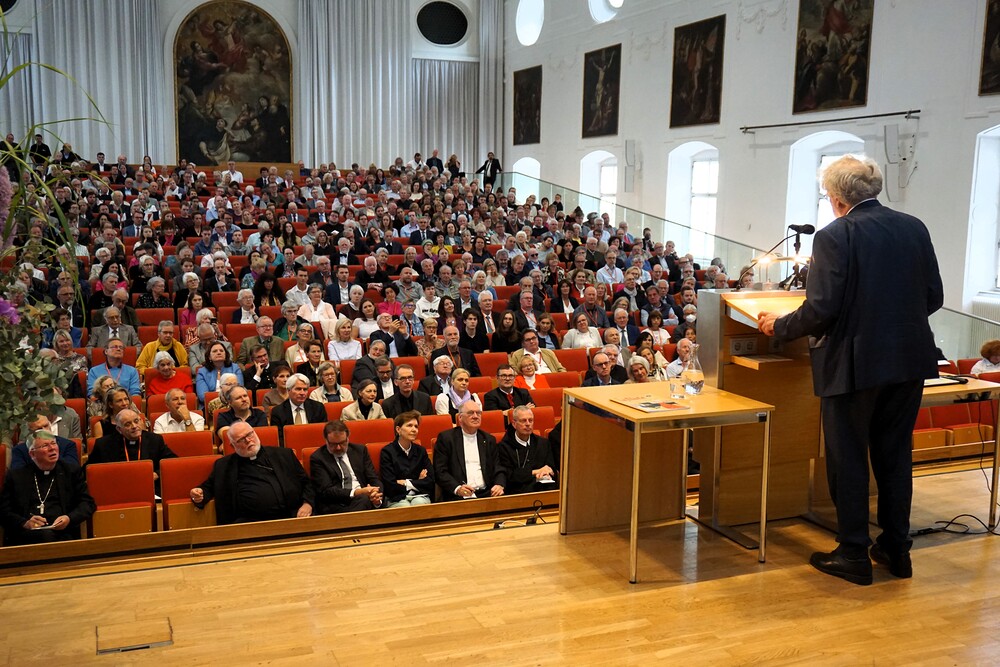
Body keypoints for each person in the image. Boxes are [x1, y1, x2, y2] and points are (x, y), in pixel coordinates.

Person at [758, 155, 943, 585]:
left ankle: (854, 553)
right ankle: (897, 551)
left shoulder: (835, 235)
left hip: (854, 365)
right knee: (895, 457)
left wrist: (778, 326)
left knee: (848, 458)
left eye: (827, 196)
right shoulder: (914, 227)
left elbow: (822, 308)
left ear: (837, 198)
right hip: (909, 360)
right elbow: (932, 296)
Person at [190, 421, 313, 524]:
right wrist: (198, 494)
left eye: (250, 434)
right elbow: (208, 488)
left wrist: (307, 504)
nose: (248, 440)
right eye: (241, 439)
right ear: (233, 446)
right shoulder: (224, 466)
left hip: (290, 517)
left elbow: (307, 483)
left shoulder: (284, 455)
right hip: (247, 524)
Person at [0, 430, 96, 546]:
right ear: (32, 454)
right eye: (45, 446)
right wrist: (24, 523)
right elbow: (3, 510)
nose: (52, 448)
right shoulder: (17, 476)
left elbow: (88, 503)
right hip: (26, 535)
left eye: (54, 443)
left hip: (64, 533)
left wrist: (69, 518)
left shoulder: (70, 471)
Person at [434, 401, 505, 501]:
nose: (475, 416)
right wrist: (457, 488)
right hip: (458, 495)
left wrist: (499, 484)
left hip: (487, 493)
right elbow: (440, 471)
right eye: (471, 413)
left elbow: (498, 467)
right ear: (460, 418)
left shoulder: (488, 439)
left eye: (478, 413)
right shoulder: (447, 439)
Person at [88, 409, 178, 488]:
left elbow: (172, 462)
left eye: (136, 421)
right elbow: (89, 471)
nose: (134, 426)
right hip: (116, 488)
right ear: (119, 429)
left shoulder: (154, 440)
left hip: (148, 487)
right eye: (128, 424)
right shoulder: (103, 445)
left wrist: (157, 473)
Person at [309, 420, 383, 514]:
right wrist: (356, 492)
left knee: (366, 500)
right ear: (326, 440)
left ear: (348, 438)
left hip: (363, 499)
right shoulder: (318, 458)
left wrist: (376, 494)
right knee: (364, 500)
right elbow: (326, 491)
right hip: (335, 504)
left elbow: (373, 478)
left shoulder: (360, 451)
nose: (338, 448)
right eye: (333, 444)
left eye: (342, 443)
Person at [498, 406, 558, 494]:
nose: (528, 424)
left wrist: (548, 471)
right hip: (517, 492)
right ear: (514, 424)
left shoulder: (543, 443)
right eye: (523, 421)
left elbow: (552, 469)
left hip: (543, 489)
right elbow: (509, 476)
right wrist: (535, 472)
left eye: (530, 420)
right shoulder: (504, 446)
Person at [380, 411, 435, 507]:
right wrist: (417, 481)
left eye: (416, 426)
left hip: (420, 496)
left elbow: (430, 481)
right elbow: (390, 485)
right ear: (398, 429)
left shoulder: (421, 451)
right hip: (396, 498)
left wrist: (405, 482)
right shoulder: (387, 452)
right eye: (409, 426)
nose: (414, 430)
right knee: (404, 506)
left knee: (419, 503)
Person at [269, 373, 327, 443]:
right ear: (288, 390)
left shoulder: (318, 408)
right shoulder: (278, 412)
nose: (302, 393)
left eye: (305, 389)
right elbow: (279, 439)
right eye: (298, 389)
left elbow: (323, 434)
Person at [195, 341, 244, 406]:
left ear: (225, 354)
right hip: (210, 405)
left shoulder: (235, 368)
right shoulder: (202, 372)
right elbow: (203, 397)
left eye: (221, 350)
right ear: (209, 357)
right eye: (215, 351)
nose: (218, 352)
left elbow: (239, 390)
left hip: (234, 404)